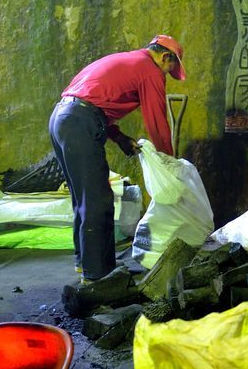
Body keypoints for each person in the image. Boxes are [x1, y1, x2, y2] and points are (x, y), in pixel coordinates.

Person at [48, 35, 185, 281]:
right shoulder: (150, 70)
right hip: (80, 123)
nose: (167, 74)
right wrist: (168, 162)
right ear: (166, 57)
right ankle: (98, 277)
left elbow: (91, 102)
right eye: (170, 68)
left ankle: (86, 265)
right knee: (98, 200)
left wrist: (120, 138)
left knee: (84, 199)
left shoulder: (126, 61)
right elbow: (156, 121)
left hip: (61, 118)